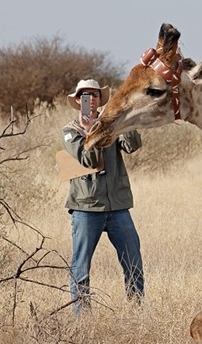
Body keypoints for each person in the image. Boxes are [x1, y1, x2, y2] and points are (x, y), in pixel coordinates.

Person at [61, 79, 144, 314]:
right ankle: (82, 317)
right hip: (86, 208)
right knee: (81, 266)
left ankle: (136, 312)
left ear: (100, 99)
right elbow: (87, 160)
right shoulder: (70, 132)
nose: (90, 99)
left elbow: (133, 146)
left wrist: (123, 120)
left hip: (118, 206)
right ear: (78, 101)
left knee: (133, 262)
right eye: (85, 95)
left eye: (95, 95)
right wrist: (91, 130)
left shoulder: (111, 124)